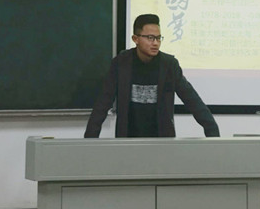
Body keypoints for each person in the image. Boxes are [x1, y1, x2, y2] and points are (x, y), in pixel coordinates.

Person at [84, 13, 220, 138]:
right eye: (150, 38)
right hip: (128, 139)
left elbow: (192, 100)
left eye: (158, 38)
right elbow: (103, 102)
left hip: (162, 140)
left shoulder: (169, 65)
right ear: (135, 39)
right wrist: (90, 139)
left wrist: (212, 131)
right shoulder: (121, 63)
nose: (155, 43)